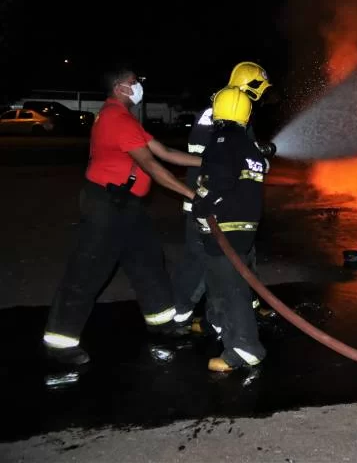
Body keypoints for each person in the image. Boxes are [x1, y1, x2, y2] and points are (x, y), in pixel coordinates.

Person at [43, 69, 202, 366]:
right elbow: (153, 166)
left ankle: (162, 325)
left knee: (148, 262)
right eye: (133, 82)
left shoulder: (123, 118)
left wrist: (208, 162)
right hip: (107, 206)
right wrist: (193, 196)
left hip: (126, 205)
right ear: (119, 88)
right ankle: (60, 344)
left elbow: (165, 151)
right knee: (87, 271)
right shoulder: (117, 119)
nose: (139, 85)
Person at [172, 62, 274, 329]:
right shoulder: (218, 114)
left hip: (226, 203)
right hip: (210, 203)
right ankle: (181, 314)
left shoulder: (233, 111)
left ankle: (241, 308)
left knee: (241, 258)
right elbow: (216, 156)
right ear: (248, 87)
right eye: (259, 91)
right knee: (203, 263)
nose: (260, 97)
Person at [191, 86, 269, 372]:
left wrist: (201, 207)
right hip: (245, 227)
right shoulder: (248, 145)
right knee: (223, 283)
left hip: (225, 227)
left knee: (232, 287)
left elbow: (218, 183)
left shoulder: (221, 141)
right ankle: (221, 326)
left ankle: (245, 348)